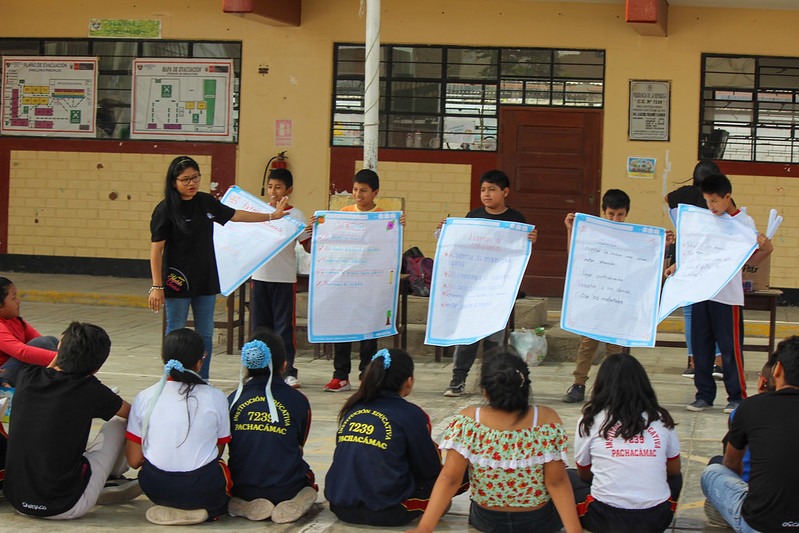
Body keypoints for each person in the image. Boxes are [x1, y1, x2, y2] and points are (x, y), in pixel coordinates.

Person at [148, 155, 290, 379]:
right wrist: (157, 286)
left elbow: (236, 215)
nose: (191, 183)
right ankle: (173, 378)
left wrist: (272, 216)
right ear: (173, 181)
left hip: (205, 279)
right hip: (176, 280)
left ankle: (201, 377)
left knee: (205, 334)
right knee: (175, 332)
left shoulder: (205, 202)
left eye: (195, 177)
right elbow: (156, 251)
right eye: (185, 179)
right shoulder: (165, 209)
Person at [413, 352, 580, 533]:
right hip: (537, 521)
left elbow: (450, 479)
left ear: (484, 391)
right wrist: (575, 530)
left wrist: (424, 528)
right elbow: (556, 482)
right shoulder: (547, 420)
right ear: (525, 387)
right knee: (572, 479)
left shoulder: (469, 420)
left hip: (487, 520)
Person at [3, 322, 140, 519]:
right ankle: (113, 476)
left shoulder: (27, 376)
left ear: (59, 349)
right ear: (97, 367)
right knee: (119, 424)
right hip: (66, 505)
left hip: (18, 501)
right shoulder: (90, 389)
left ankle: (107, 479)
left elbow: (53, 372)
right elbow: (132, 413)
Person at [678, 173, 773, 413]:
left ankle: (737, 396)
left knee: (729, 347)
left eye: (714, 201)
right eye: (708, 201)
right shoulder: (704, 219)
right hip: (700, 292)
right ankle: (704, 395)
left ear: (727, 196)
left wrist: (766, 249)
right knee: (701, 346)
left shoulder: (744, 223)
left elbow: (751, 259)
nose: (711, 207)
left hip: (727, 296)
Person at [442, 169, 538, 397]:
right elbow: (461, 247)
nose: (486, 194)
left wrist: (531, 241)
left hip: (499, 292)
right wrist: (447, 232)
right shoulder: (473, 216)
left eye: (492, 190)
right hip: (472, 289)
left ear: (505, 192)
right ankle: (458, 379)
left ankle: (491, 382)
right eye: (483, 190)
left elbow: (519, 255)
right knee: (468, 336)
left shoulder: (516, 220)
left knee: (495, 339)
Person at [325, 348, 445, 526]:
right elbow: (430, 469)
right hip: (389, 510)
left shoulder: (352, 408)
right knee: (449, 481)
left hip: (340, 506)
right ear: (409, 381)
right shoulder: (412, 414)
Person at [125, 328, 232, 526]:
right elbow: (217, 450)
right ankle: (208, 511)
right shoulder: (216, 397)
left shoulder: (144, 397)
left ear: (162, 358)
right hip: (200, 488)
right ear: (201, 361)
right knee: (222, 471)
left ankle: (172, 505)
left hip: (156, 487)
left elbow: (133, 460)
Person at [569, 353, 682, 533]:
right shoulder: (661, 418)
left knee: (567, 477)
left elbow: (583, 471)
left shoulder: (591, 419)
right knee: (676, 479)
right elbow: (674, 470)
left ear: (601, 385)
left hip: (605, 517)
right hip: (657, 518)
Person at [701, 335, 799, 532]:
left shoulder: (751, 407)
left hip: (760, 524)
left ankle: (728, 515)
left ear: (777, 369)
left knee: (713, 471)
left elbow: (730, 464)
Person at [318, 169, 405, 392]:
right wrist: (318, 226)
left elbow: (389, 248)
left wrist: (398, 226)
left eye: (363, 191)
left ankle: (367, 373)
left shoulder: (384, 217)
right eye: (355, 190)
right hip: (346, 283)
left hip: (371, 285)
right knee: (342, 328)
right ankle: (341, 375)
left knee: (368, 329)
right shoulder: (344, 213)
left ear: (375, 192)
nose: (358, 195)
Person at [227, 328, 317, 523]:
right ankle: (290, 501)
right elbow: (298, 445)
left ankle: (242, 502)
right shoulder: (298, 400)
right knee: (308, 480)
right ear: (284, 365)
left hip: (241, 486)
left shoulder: (233, 399)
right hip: (285, 487)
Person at [561, 189, 630, 403]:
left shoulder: (632, 236)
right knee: (587, 344)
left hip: (618, 300)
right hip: (593, 298)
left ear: (626, 213)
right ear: (603, 212)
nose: (615, 219)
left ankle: (614, 387)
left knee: (615, 348)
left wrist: (663, 245)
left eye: (620, 214)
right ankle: (579, 384)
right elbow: (575, 255)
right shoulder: (592, 233)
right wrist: (570, 230)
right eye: (610, 214)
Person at [250, 168, 312, 388]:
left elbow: (309, 246)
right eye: (269, 187)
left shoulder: (297, 216)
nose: (273, 192)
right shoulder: (258, 213)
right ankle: (256, 370)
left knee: (283, 327)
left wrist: (317, 231)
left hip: (284, 280)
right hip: (260, 277)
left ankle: (287, 371)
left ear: (289, 190)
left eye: (278, 187)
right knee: (259, 327)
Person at [664, 160, 724, 380]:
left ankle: (694, 361)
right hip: (713, 259)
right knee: (715, 310)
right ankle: (717, 361)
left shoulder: (680, 197)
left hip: (686, 257)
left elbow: (666, 198)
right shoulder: (717, 199)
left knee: (690, 313)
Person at [704, 352, 778, 527]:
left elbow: (731, 461)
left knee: (715, 467)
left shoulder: (746, 409)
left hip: (757, 509)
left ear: (762, 383)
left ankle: (724, 516)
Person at [0, 277, 59, 386]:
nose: (18, 301)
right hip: (3, 379)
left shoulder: (14, 320)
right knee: (43, 344)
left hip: (15, 371)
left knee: (50, 340)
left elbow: (38, 339)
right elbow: (22, 352)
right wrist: (64, 359)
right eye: (13, 298)